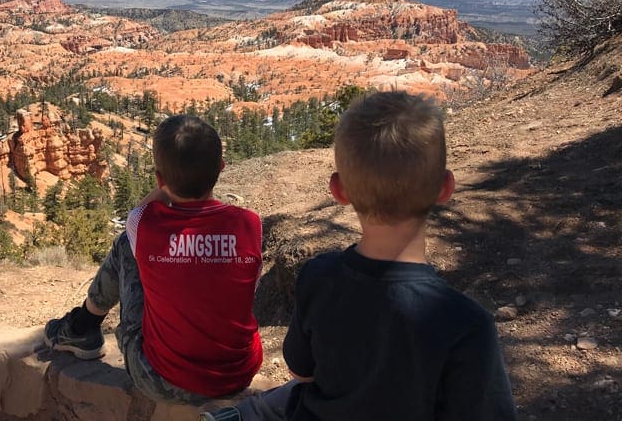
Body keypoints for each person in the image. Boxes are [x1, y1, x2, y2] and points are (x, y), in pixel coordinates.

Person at [201, 91, 516, 420]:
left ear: (338, 191)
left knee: (267, 405)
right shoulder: (467, 324)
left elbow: (302, 373)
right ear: (445, 188)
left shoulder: (318, 277)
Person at [45, 114, 263, 403]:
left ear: (160, 180)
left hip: (161, 379)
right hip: (238, 376)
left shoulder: (144, 225)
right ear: (221, 168)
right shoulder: (249, 224)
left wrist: (167, 186)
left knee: (126, 246)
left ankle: (82, 327)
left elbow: (136, 216)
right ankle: (82, 326)